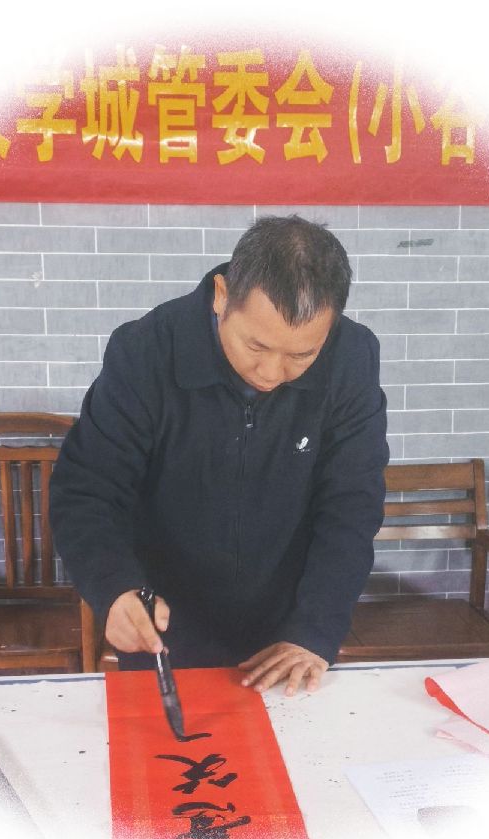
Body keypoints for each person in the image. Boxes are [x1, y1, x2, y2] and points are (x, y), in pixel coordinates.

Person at [50, 215, 389, 695]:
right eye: (256, 345)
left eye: (301, 356)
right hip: (161, 622)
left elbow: (351, 504)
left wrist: (315, 628)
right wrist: (114, 587)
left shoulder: (352, 357)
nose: (271, 373)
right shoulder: (146, 351)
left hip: (286, 633)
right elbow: (88, 489)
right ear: (221, 296)